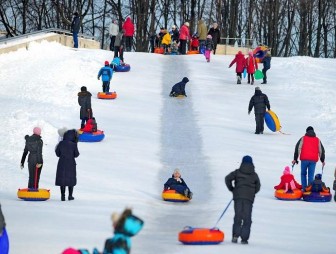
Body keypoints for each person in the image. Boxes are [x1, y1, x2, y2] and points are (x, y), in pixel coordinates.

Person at [225, 155, 261, 244]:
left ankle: (235, 236)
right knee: (247, 218)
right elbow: (258, 187)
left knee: (238, 216)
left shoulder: (237, 172)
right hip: (249, 199)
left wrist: (232, 189)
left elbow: (227, 178)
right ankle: (244, 238)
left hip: (238, 197)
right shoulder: (254, 175)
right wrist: (252, 193)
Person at [292, 126, 325, 191]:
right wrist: (322, 160)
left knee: (303, 174)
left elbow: (298, 148)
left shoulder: (303, 138)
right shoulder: (317, 140)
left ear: (306, 131)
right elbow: (321, 150)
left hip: (304, 159)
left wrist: (295, 159)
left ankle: (304, 189)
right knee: (311, 175)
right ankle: (309, 190)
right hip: (313, 160)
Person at [55, 129, 80, 201]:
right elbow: (76, 154)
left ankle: (63, 196)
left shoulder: (61, 143)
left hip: (62, 163)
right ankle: (70, 196)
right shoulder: (73, 144)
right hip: (71, 164)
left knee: (62, 179)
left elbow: (57, 154)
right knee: (70, 179)